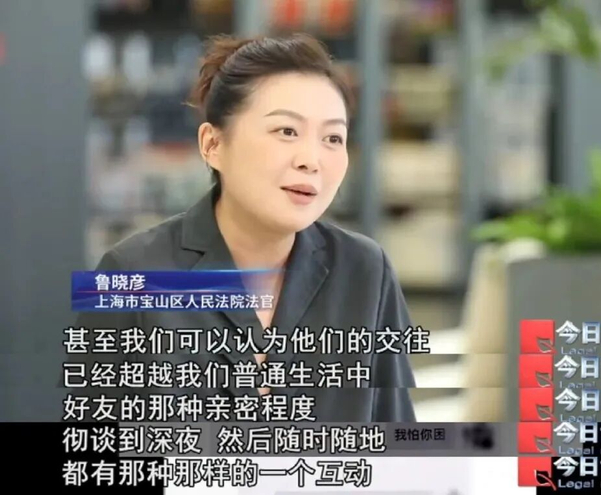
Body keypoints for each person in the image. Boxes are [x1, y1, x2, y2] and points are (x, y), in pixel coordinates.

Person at [71, 33, 416, 422]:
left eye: (333, 138)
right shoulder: (132, 274)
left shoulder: (364, 270)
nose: (311, 159)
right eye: (287, 131)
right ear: (213, 144)